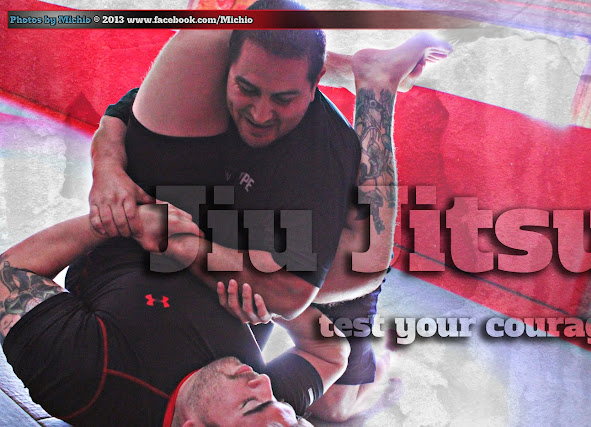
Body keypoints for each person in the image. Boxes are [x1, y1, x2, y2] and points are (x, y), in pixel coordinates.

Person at [84, 0, 453, 420]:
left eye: (283, 98)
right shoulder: (254, 400)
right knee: (334, 403)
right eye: (248, 89)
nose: (260, 114)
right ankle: (372, 83)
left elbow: (291, 295)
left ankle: (363, 84)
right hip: (242, 241)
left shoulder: (319, 153)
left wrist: (118, 180)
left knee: (362, 270)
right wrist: (108, 167)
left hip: (264, 237)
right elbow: (126, 114)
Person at [0, 203, 348, 426]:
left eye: (250, 404)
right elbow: (331, 353)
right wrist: (275, 303)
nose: (265, 382)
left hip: (158, 207)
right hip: (251, 231)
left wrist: (132, 219)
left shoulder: (86, 374)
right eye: (281, 404)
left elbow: (11, 271)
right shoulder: (262, 400)